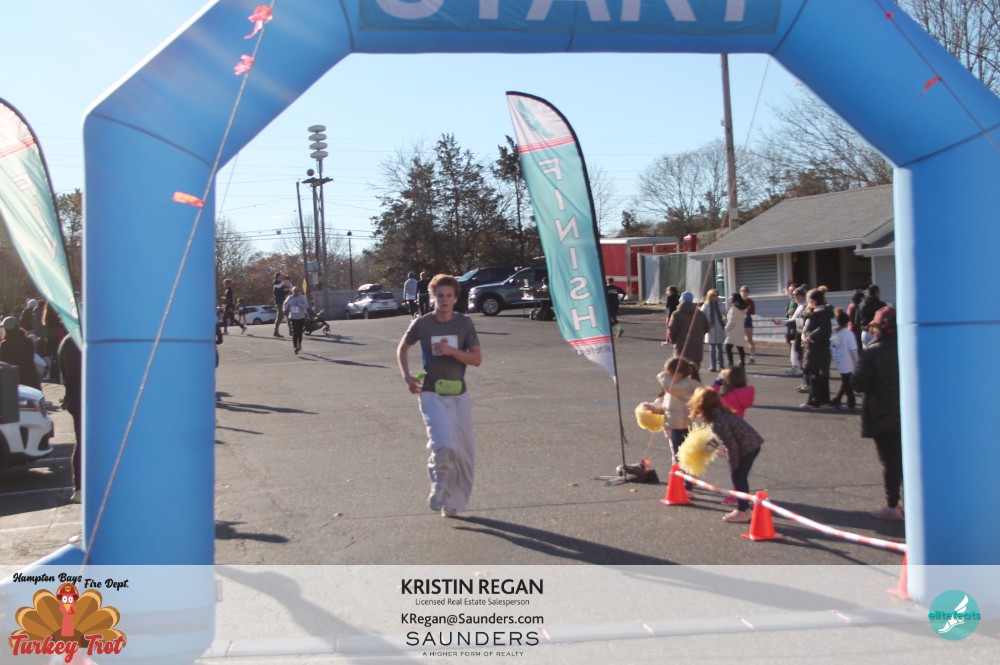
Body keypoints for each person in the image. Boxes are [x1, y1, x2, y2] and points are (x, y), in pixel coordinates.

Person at [397, 274, 482, 519]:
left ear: (455, 298)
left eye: (448, 296)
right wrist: (407, 376)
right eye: (440, 296)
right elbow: (402, 348)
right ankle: (438, 485)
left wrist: (453, 351)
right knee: (444, 444)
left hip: (459, 395)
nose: (444, 300)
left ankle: (452, 502)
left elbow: (476, 359)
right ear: (433, 297)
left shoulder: (464, 323)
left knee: (463, 453)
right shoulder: (422, 324)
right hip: (431, 393)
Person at [852, 306, 903, 520]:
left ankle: (892, 505)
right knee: (909, 460)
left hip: (883, 412)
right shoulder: (910, 346)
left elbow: (858, 383)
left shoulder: (873, 351)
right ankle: (914, 502)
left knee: (890, 461)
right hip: (908, 413)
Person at [688, 386, 764, 523]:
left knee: (738, 477)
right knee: (741, 478)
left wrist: (733, 465)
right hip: (753, 444)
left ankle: (743, 511)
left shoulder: (718, 421)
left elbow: (731, 446)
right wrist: (707, 449)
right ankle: (744, 508)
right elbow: (720, 438)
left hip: (747, 448)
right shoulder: (721, 413)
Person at [640, 357, 702, 489]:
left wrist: (662, 376)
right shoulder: (671, 389)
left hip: (683, 426)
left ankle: (686, 486)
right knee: (678, 457)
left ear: (677, 374)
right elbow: (664, 406)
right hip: (673, 427)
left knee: (682, 457)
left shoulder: (686, 385)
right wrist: (652, 407)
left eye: (668, 374)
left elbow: (673, 388)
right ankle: (681, 483)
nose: (666, 376)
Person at [58, 335, 82, 503]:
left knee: (84, 443)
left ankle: (80, 487)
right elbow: (76, 374)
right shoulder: (72, 342)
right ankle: (79, 487)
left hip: (77, 399)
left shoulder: (69, 342)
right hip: (80, 399)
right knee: (83, 443)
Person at [800, 288, 833, 408]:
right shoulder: (819, 311)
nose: (808, 303)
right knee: (821, 374)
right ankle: (824, 399)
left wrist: (809, 337)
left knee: (813, 373)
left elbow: (823, 329)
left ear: (814, 300)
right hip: (818, 346)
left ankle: (814, 400)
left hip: (816, 347)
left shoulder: (821, 312)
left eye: (809, 300)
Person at [668, 291, 709, 368]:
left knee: (681, 370)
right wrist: (700, 334)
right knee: (695, 370)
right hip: (697, 346)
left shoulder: (676, 314)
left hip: (681, 346)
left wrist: (673, 341)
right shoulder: (700, 314)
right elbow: (707, 327)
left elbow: (671, 330)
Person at [0, 316, 41, 389]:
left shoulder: (5, 344)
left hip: (15, 378)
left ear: (6, 329)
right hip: (31, 376)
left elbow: (2, 361)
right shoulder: (28, 340)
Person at [830, 308, 859, 411]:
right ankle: (840, 400)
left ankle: (849, 400)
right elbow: (853, 349)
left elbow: (831, 348)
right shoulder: (848, 334)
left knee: (846, 380)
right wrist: (857, 362)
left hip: (839, 359)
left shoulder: (834, 333)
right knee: (847, 381)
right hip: (848, 360)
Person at [774, 287, 807, 377]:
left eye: (795, 295)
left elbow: (794, 320)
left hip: (802, 332)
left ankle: (801, 371)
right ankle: (798, 369)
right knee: (797, 349)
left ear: (801, 296)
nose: (793, 296)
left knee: (799, 351)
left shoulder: (802, 306)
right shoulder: (802, 305)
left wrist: (781, 322)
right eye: (793, 295)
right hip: (802, 331)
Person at [701, 288, 727, 372]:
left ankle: (721, 365)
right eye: (713, 295)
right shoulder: (706, 305)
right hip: (710, 329)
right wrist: (706, 325)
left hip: (719, 328)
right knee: (712, 348)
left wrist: (724, 322)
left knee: (720, 348)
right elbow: (702, 316)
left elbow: (726, 314)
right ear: (709, 296)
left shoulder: (721, 304)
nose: (715, 297)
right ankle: (713, 365)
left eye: (716, 295)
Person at [283, 285, 310, 355]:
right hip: (293, 317)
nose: (296, 292)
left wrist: (300, 304)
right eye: (295, 291)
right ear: (292, 291)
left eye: (297, 291)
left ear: (299, 291)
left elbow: (306, 306)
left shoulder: (302, 297)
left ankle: (299, 344)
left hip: (301, 317)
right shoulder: (290, 298)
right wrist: (285, 309)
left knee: (300, 332)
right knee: (295, 332)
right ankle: (295, 347)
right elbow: (285, 304)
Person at [724, 292, 748, 369]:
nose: (730, 300)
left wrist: (726, 328)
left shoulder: (734, 308)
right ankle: (742, 365)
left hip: (733, 331)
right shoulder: (742, 308)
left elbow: (732, 321)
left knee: (728, 347)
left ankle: (731, 364)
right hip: (740, 330)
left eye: (731, 298)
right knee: (740, 347)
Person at [739, 285, 756, 364]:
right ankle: (741, 358)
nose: (744, 292)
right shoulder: (737, 301)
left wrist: (746, 311)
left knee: (749, 339)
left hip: (747, 319)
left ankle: (752, 357)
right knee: (739, 340)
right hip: (739, 320)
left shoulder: (750, 301)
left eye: (746, 291)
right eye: (743, 291)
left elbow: (752, 311)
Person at [272, 271, 292, 338]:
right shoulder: (276, 284)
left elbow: (283, 292)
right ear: (278, 276)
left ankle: (291, 331)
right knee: (280, 316)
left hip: (284, 301)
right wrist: (288, 291)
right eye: (281, 276)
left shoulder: (281, 283)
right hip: (279, 302)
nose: (283, 277)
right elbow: (280, 294)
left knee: (288, 315)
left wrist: (288, 290)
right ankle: (276, 332)